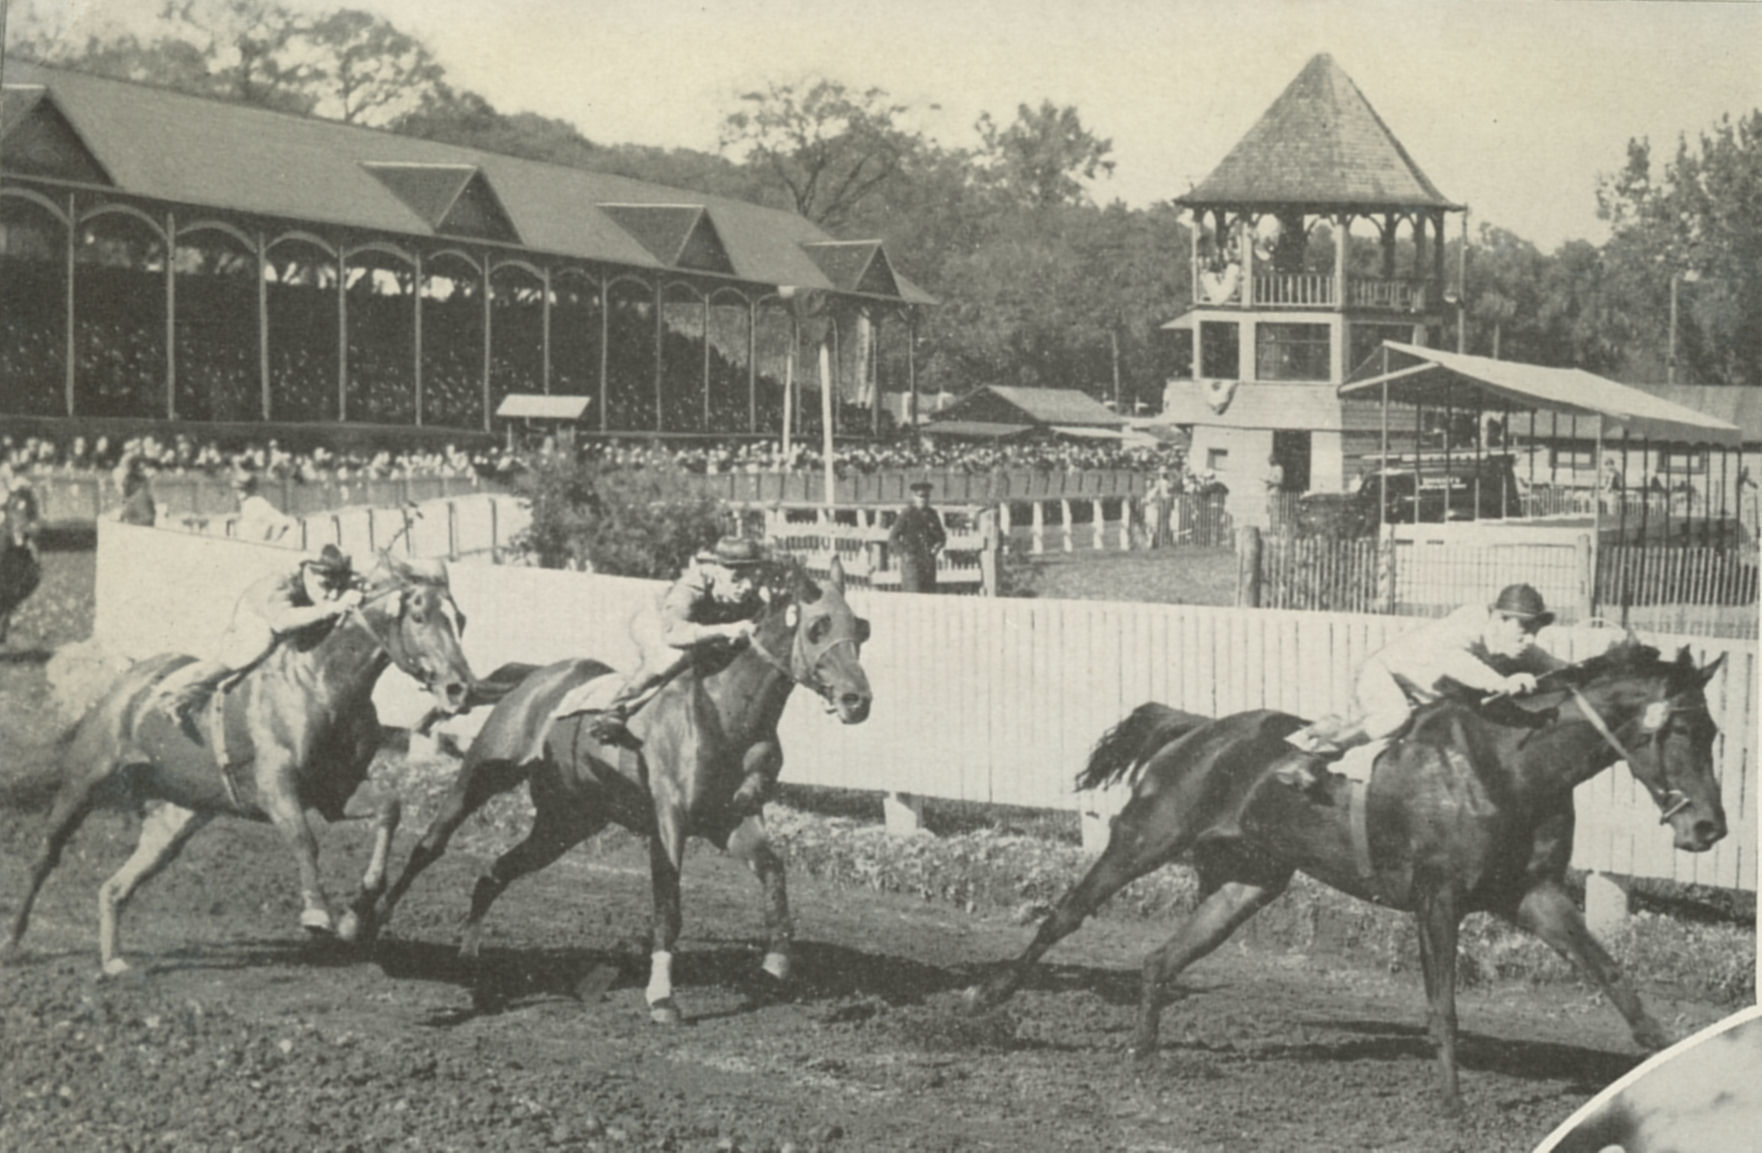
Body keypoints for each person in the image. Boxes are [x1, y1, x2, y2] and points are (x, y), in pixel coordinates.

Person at [1285, 583, 1567, 777]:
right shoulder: (1468, 622)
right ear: (1499, 618)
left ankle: (1324, 730)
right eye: (1525, 628)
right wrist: (1500, 682)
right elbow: (1453, 660)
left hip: (1418, 692)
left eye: (1535, 630)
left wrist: (1593, 667)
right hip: (1384, 674)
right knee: (1394, 717)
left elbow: (1552, 665)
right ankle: (1311, 758)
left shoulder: (1511, 641)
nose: (1530, 639)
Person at [587, 536, 769, 758]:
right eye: (738, 578)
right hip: (659, 621)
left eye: (753, 578)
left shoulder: (752, 596)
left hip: (700, 628)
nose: (747, 587)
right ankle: (614, 710)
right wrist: (725, 630)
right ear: (717, 570)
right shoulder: (692, 585)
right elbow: (674, 634)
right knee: (671, 658)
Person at [157, 544, 361, 716]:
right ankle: (176, 688)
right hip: (258, 620)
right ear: (307, 571)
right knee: (254, 647)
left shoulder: (320, 586)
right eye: (326, 585)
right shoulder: (279, 584)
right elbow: (282, 622)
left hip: (290, 617)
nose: (333, 593)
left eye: (339, 586)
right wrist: (331, 608)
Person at [889, 481, 946, 593]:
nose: (924, 499)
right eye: (921, 496)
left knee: (929, 597)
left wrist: (937, 547)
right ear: (914, 497)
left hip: (928, 563)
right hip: (912, 564)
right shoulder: (907, 514)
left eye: (927, 496)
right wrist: (904, 554)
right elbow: (893, 538)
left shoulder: (932, 514)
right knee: (913, 595)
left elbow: (941, 537)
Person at [231, 470, 294, 542]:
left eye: (239, 490)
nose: (237, 493)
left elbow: (285, 524)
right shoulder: (253, 502)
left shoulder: (254, 503)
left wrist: (271, 541)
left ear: (246, 490)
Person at [117, 457, 157, 526]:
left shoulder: (144, 479)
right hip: (134, 511)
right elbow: (127, 496)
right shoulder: (130, 478)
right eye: (141, 469)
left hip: (142, 512)